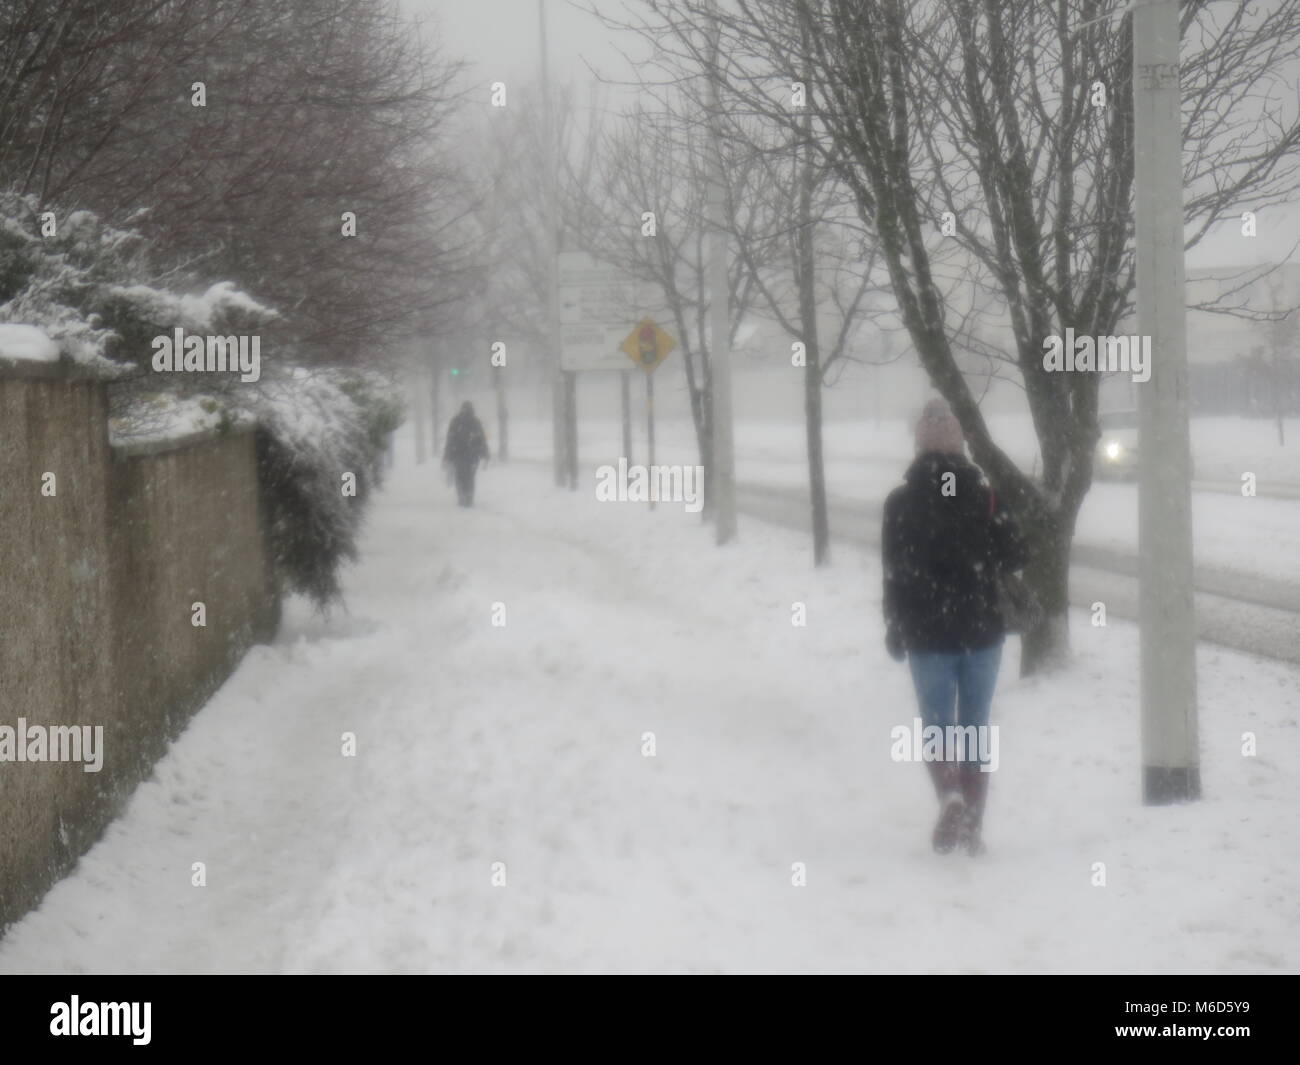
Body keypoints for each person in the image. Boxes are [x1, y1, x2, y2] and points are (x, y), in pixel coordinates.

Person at [881, 397, 1028, 856]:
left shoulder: (901, 502)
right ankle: (973, 827)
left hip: (927, 631)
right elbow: (1016, 554)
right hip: (980, 628)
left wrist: (895, 623)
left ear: (919, 444)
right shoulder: (984, 495)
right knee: (975, 728)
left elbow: (894, 570)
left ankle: (951, 795)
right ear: (960, 443)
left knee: (939, 728)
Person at [442, 401, 489, 507]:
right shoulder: (476, 422)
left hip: (458, 455)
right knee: (470, 477)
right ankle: (469, 496)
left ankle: (462, 496)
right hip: (472, 456)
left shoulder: (455, 422)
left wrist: (447, 455)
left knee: (459, 476)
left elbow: (450, 439)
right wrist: (485, 453)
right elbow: (482, 439)